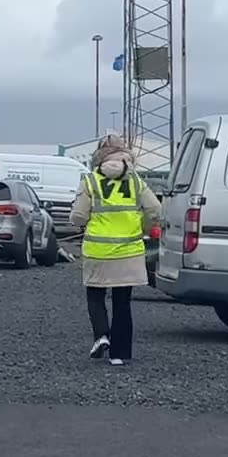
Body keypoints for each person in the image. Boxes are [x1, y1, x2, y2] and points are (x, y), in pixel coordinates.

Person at [69, 134, 160, 366]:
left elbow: (78, 217)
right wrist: (143, 227)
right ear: (126, 157)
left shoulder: (90, 181)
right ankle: (120, 354)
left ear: (99, 157)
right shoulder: (137, 181)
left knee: (95, 295)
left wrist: (85, 222)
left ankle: (101, 336)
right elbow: (156, 210)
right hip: (129, 251)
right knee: (122, 302)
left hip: (98, 251)